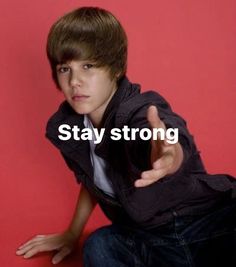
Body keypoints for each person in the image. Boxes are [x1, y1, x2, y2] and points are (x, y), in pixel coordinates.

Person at [16, 6, 236, 267]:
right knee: (99, 246)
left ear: (116, 69)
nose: (75, 81)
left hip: (204, 223)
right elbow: (93, 179)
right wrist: (73, 233)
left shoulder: (137, 110)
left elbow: (162, 134)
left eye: (88, 66)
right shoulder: (69, 127)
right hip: (148, 239)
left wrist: (167, 154)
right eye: (65, 69)